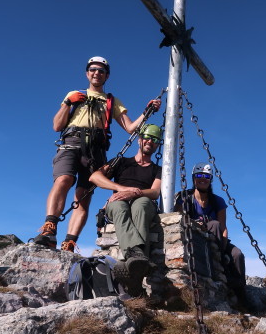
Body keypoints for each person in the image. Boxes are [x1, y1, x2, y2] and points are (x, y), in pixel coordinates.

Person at [33, 56, 160, 251]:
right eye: (93, 69)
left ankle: (70, 241)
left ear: (106, 75)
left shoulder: (112, 101)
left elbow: (130, 127)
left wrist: (147, 111)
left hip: (96, 149)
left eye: (101, 71)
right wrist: (68, 102)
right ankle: (49, 228)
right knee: (64, 180)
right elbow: (57, 125)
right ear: (87, 72)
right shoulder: (74, 95)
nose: (96, 73)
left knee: (83, 196)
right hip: (72, 142)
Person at [89, 124, 163, 296]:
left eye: (155, 140)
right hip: (118, 201)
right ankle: (137, 256)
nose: (150, 142)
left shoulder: (157, 170)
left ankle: (134, 269)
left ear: (157, 146)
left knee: (141, 204)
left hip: (142, 200)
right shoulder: (121, 161)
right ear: (139, 140)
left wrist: (133, 193)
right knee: (119, 206)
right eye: (147, 138)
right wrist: (121, 189)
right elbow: (95, 177)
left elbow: (155, 192)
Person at [173, 162, 246, 306]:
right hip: (195, 237)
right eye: (199, 175)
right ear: (194, 178)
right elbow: (178, 218)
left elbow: (223, 227)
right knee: (214, 224)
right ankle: (221, 268)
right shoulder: (185, 198)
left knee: (237, 255)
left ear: (210, 179)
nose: (202, 179)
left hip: (218, 239)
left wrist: (224, 247)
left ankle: (241, 293)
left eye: (206, 176)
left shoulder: (217, 201)